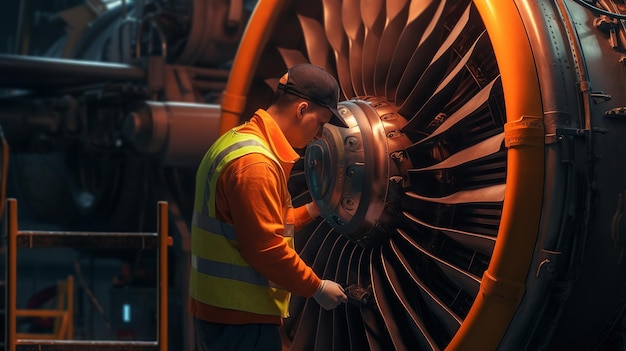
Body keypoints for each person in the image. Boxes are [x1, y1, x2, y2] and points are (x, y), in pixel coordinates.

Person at [189, 63, 350, 351]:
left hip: (220, 311)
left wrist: (312, 210)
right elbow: (266, 248)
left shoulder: (237, 140)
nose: (318, 135)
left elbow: (255, 222)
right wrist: (316, 288)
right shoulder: (256, 164)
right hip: (241, 319)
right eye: (321, 122)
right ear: (301, 109)